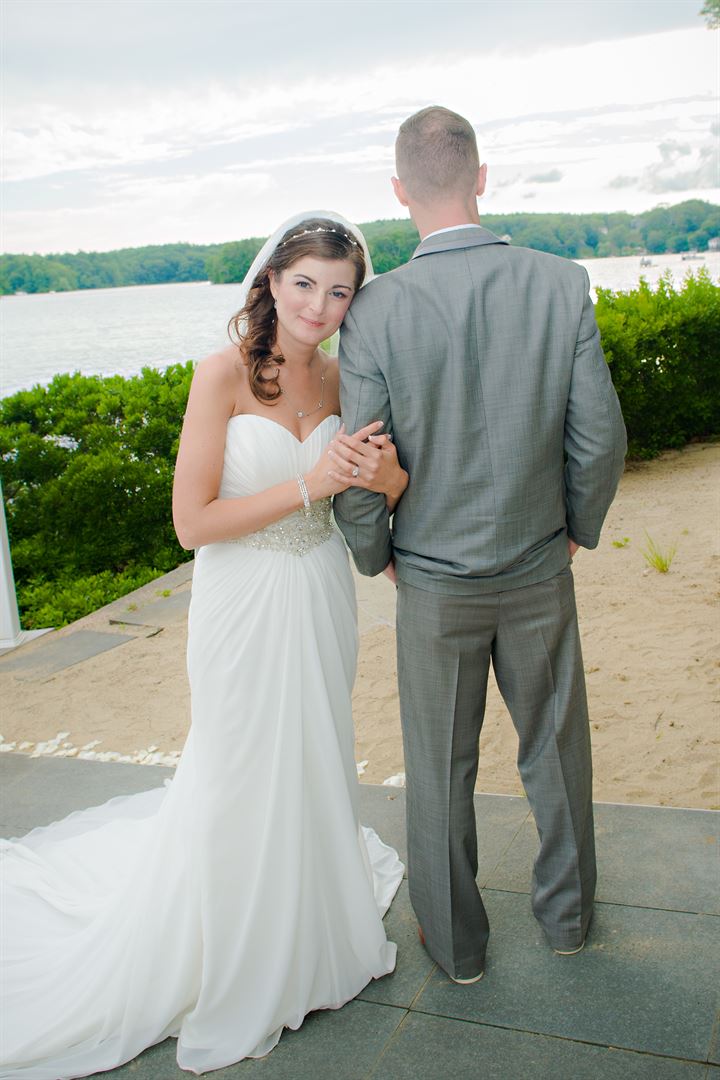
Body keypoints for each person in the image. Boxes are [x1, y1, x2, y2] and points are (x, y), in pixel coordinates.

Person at [0, 212, 407, 1078]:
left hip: (321, 590)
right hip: (241, 598)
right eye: (305, 284)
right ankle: (239, 953)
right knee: (240, 761)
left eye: (339, 292)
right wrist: (309, 483)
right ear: (271, 282)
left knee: (316, 749)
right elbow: (192, 523)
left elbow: (383, 486)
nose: (319, 306)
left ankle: (316, 930)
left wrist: (387, 477)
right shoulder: (222, 373)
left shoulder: (347, 377)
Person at [333, 107, 627, 984]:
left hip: (432, 581)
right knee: (557, 754)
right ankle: (569, 923)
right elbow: (599, 439)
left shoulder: (376, 309)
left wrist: (377, 552)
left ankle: (459, 948)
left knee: (438, 769)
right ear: (482, 178)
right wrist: (576, 530)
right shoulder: (559, 282)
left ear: (399, 190)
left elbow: (360, 459)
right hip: (539, 566)